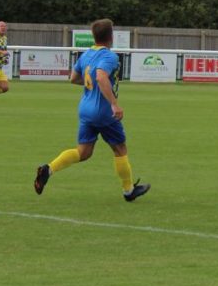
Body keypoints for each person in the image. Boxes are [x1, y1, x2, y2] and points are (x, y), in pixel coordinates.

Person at [34, 18, 150, 202]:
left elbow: (73, 78)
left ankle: (49, 169)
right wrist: (114, 103)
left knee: (83, 152)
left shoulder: (86, 54)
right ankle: (128, 191)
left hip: (85, 109)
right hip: (103, 112)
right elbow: (101, 77)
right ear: (111, 36)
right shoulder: (109, 56)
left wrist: (93, 85)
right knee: (120, 149)